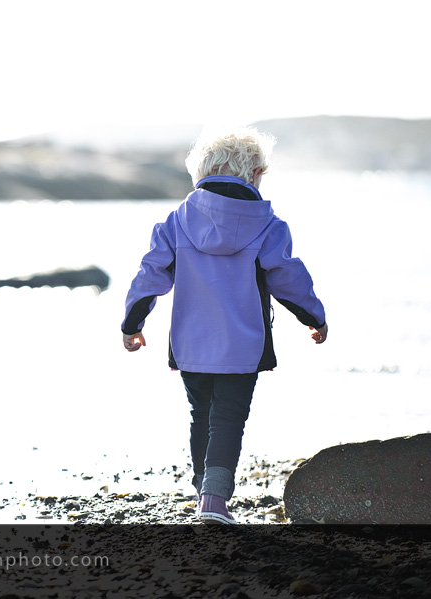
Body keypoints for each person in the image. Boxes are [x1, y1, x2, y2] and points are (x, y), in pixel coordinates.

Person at [121, 126, 327, 525]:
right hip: (243, 344)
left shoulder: (177, 220)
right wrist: (313, 317)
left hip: (190, 342)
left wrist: (132, 322)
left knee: (203, 414)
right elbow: (288, 278)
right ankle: (213, 501)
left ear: (201, 172)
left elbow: (152, 275)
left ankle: (205, 494)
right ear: (255, 174)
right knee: (229, 418)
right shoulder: (268, 225)